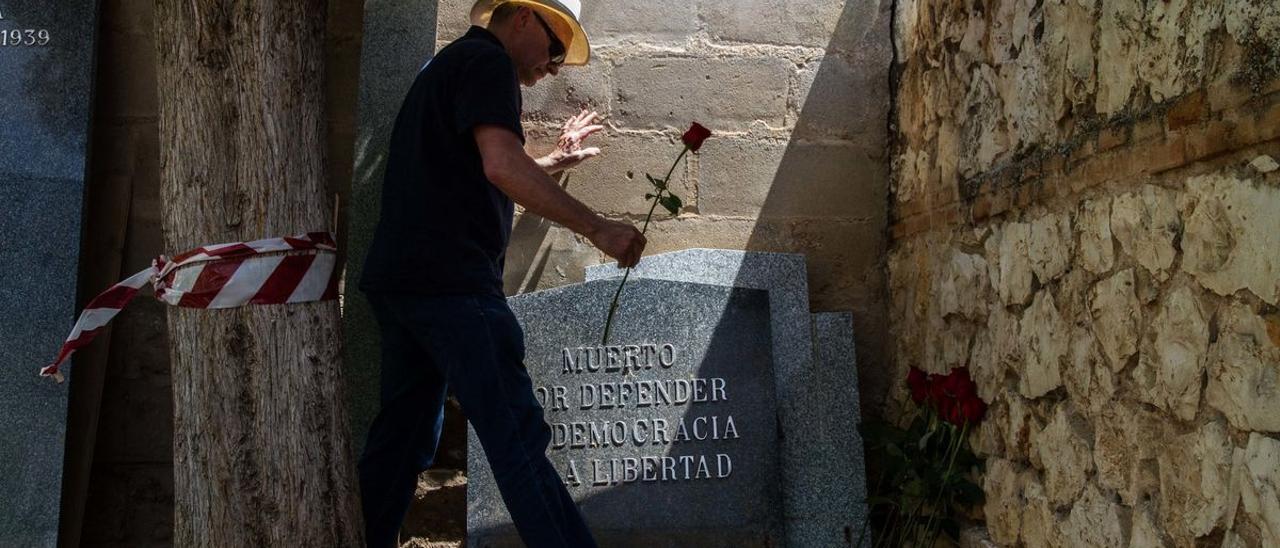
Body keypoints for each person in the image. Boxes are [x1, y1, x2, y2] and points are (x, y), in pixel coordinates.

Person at [356, 0, 642, 546]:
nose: (555, 66)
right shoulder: (489, 62)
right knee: (517, 440)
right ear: (524, 19)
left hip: (403, 281)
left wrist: (553, 163)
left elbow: (474, 163)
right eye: (556, 48)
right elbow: (500, 165)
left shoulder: (447, 64)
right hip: (453, 285)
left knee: (403, 439)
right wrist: (598, 227)